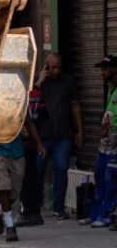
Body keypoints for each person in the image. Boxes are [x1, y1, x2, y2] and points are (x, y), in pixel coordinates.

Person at [36, 52, 83, 219]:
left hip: (63, 135)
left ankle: (59, 208)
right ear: (46, 66)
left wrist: (80, 130)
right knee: (38, 170)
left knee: (61, 170)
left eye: (59, 68)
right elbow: (29, 101)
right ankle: (34, 207)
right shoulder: (39, 81)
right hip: (42, 136)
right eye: (53, 68)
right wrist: (39, 82)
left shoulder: (68, 82)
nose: (56, 71)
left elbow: (75, 105)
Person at [0, 119, 43, 242]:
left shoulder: (19, 106)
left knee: (15, 190)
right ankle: (10, 226)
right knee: (4, 187)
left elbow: (28, 122)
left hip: (16, 151)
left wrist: (39, 143)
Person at [85, 54, 117, 228]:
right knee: (100, 175)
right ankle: (96, 212)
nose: (102, 73)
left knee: (111, 178)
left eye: (105, 69)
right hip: (105, 141)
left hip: (114, 142)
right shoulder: (111, 88)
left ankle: (106, 214)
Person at [17, 86, 47, 226]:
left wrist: (38, 143)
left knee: (26, 181)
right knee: (31, 179)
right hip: (27, 145)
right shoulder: (22, 97)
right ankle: (33, 213)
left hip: (23, 147)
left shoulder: (18, 98)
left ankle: (28, 212)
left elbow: (28, 122)